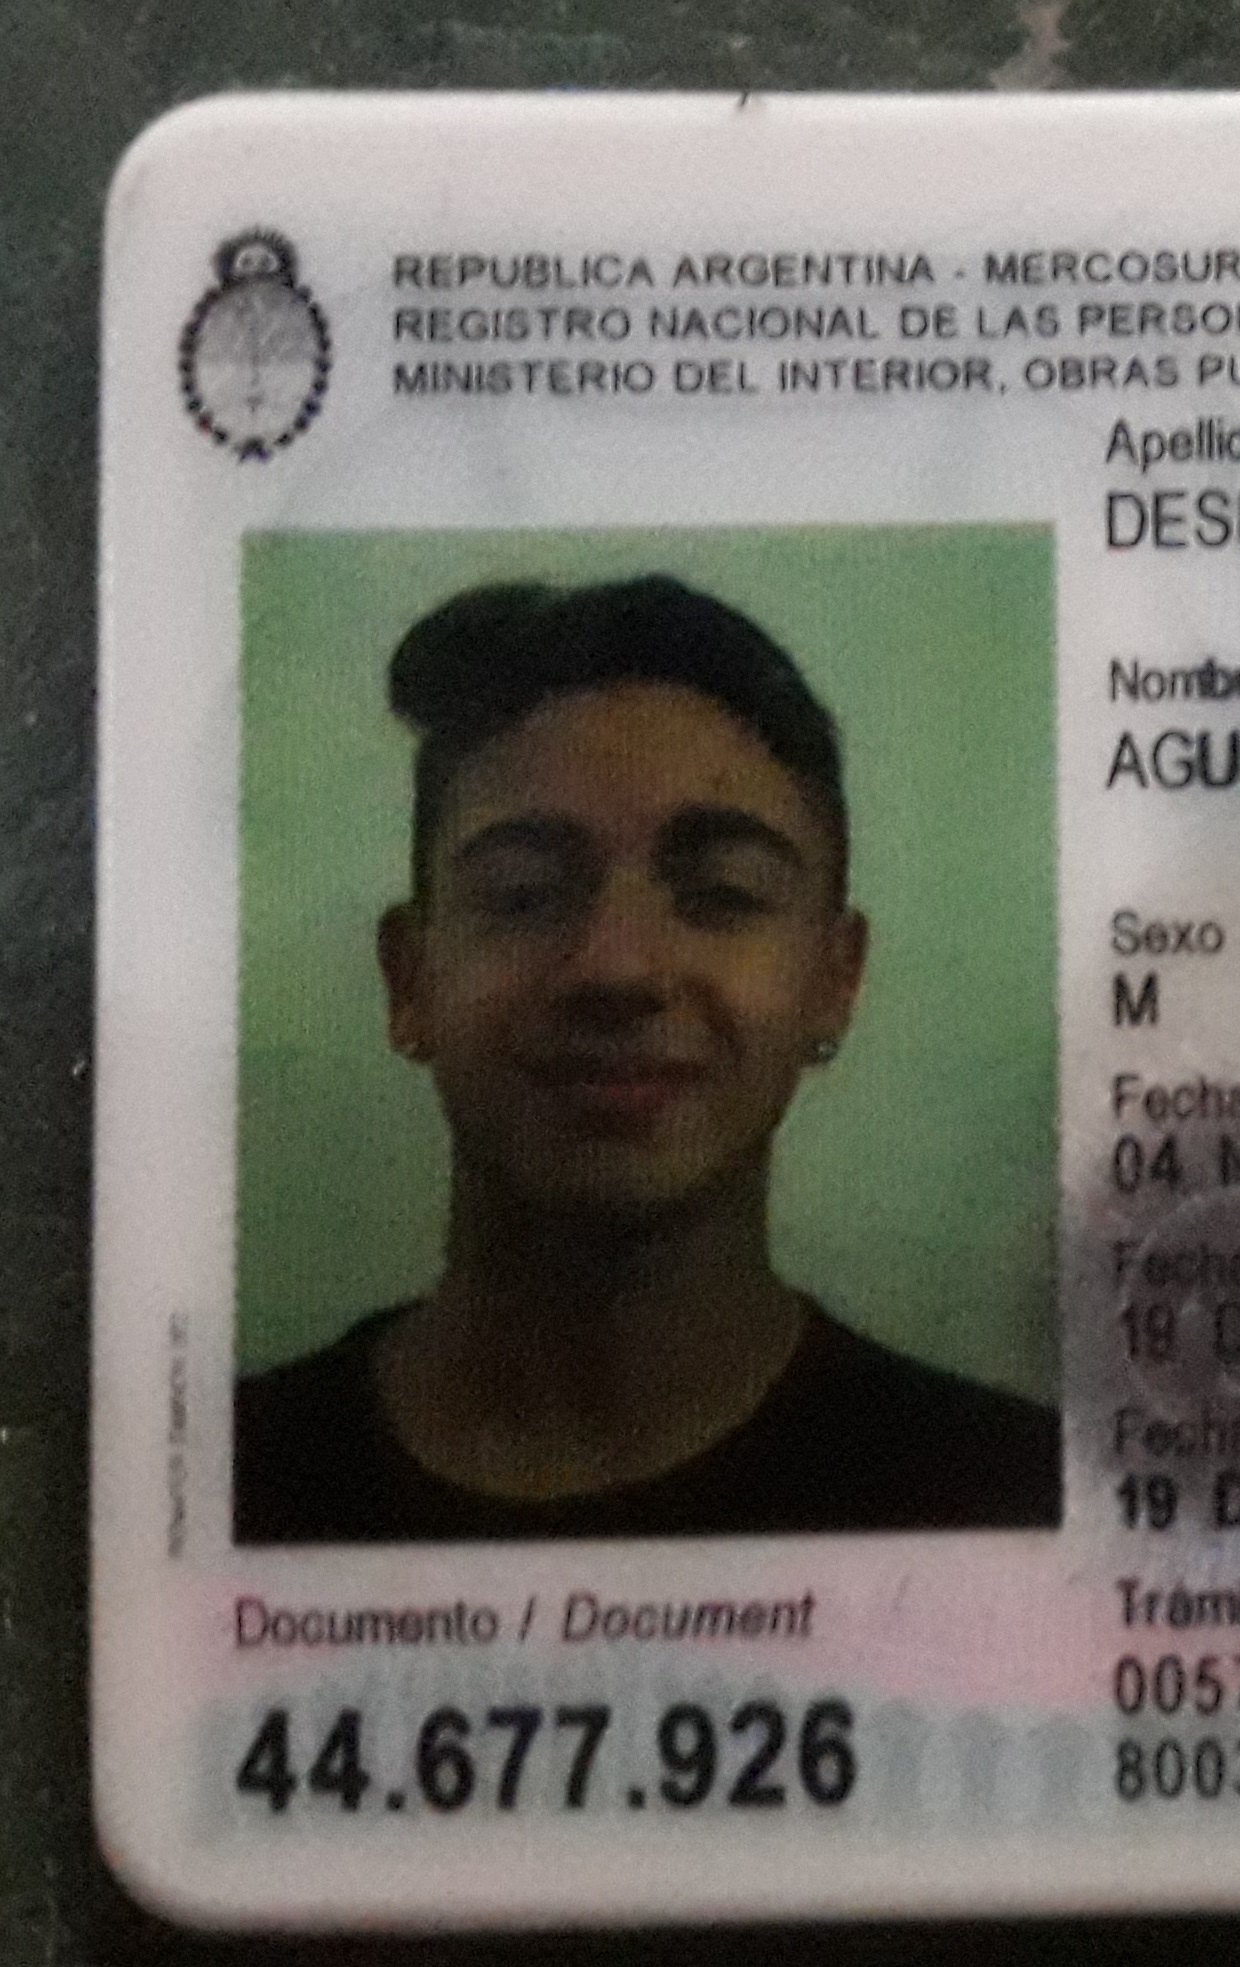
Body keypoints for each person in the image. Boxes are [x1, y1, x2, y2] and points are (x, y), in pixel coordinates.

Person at [235, 575, 1060, 1543]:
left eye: (722, 892)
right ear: (407, 978)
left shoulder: (1011, 1494)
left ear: (835, 981)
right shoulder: (226, 1479)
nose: (617, 968)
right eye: (524, 893)